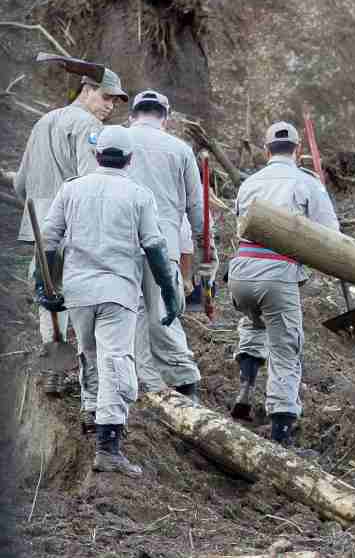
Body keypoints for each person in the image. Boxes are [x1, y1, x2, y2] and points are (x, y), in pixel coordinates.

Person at [36, 125, 180, 475]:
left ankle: (90, 412)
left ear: (97, 154)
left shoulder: (71, 189)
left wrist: (45, 287)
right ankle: (109, 446)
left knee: (90, 353)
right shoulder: (138, 195)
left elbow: (48, 242)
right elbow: (156, 249)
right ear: (129, 159)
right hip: (117, 291)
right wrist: (170, 291)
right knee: (116, 359)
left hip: (79, 291)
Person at [228, 121, 339, 451]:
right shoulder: (307, 183)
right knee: (285, 347)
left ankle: (245, 386)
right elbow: (331, 236)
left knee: (253, 320)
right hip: (277, 272)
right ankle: (280, 430)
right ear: (298, 150)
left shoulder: (249, 183)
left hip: (241, 271)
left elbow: (240, 226)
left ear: (266, 151)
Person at [13, 68, 129, 373]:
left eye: (115, 101)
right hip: (70, 225)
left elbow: (20, 183)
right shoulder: (89, 126)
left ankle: (55, 360)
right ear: (86, 89)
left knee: (49, 292)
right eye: (105, 97)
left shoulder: (43, 121)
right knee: (78, 294)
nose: (110, 106)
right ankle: (77, 368)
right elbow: (92, 182)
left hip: (40, 226)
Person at [124, 89, 213, 402]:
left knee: (131, 313)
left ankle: (146, 384)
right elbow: (197, 208)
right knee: (165, 312)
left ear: (133, 115)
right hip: (164, 244)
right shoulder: (179, 149)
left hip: (120, 243)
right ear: (166, 117)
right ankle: (184, 383)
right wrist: (206, 250)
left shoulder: (116, 142)